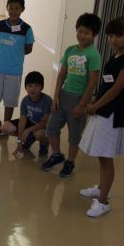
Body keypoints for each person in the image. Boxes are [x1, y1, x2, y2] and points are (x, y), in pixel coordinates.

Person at [78, 17, 124, 218]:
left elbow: (117, 88)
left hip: (112, 114)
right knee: (101, 155)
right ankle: (101, 188)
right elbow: (107, 84)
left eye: (118, 35)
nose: (113, 40)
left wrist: (96, 104)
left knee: (106, 158)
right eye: (111, 36)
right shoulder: (117, 55)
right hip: (104, 110)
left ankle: (103, 201)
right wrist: (96, 99)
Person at [42, 13, 102, 178]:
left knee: (74, 135)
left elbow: (92, 83)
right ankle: (56, 155)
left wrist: (82, 105)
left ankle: (70, 161)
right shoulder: (70, 50)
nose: (82, 35)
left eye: (86, 33)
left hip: (79, 100)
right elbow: (61, 75)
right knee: (51, 128)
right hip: (63, 96)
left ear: (94, 35)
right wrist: (55, 97)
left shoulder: (93, 55)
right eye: (80, 31)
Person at [0, 0, 35, 137]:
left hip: (14, 71)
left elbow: (28, 48)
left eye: (17, 9)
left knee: (9, 101)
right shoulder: (0, 25)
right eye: (11, 8)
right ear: (7, 8)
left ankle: (6, 125)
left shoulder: (26, 29)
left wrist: (15, 54)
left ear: (22, 10)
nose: (13, 11)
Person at [0, 71, 52, 159]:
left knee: (40, 134)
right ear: (25, 87)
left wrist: (28, 130)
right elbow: (22, 120)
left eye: (36, 86)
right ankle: (28, 139)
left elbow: (45, 122)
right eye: (29, 86)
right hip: (30, 122)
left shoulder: (47, 100)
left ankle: (44, 144)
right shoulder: (26, 100)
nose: (33, 89)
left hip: (42, 125)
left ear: (42, 87)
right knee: (5, 127)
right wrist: (19, 140)